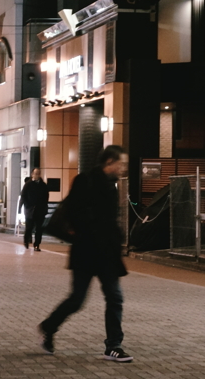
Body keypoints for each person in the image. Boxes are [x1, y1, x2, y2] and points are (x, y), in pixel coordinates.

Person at [39, 145, 132, 362]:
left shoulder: (112, 186)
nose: (123, 168)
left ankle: (114, 346)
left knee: (115, 297)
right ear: (109, 162)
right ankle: (49, 326)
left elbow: (109, 219)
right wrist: (90, 232)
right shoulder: (85, 181)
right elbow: (75, 213)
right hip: (86, 252)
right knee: (77, 300)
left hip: (107, 254)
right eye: (121, 163)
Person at [19, 167, 50, 251]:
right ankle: (26, 241)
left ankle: (37, 244)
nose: (36, 175)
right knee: (29, 227)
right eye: (35, 173)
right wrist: (26, 205)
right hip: (30, 210)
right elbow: (23, 196)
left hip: (40, 210)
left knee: (39, 229)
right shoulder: (28, 184)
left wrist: (44, 207)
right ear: (32, 174)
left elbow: (46, 197)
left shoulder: (43, 185)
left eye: (38, 173)